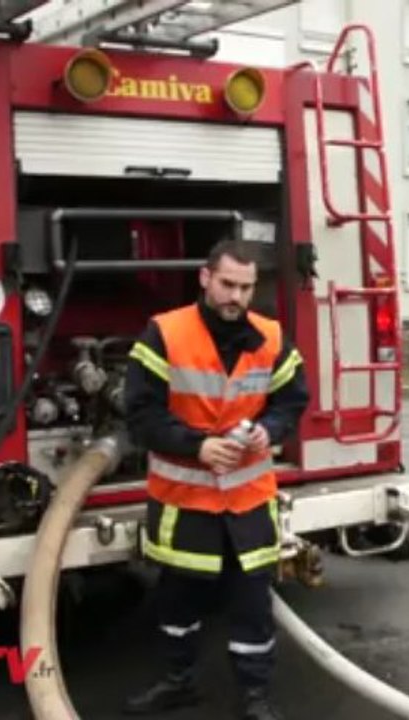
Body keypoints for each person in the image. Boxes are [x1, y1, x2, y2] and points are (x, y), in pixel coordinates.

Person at [122, 240, 309, 720]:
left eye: (246, 288)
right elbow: (140, 415)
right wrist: (197, 446)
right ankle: (177, 681)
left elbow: (291, 400)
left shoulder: (270, 336)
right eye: (227, 284)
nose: (237, 297)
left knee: (252, 606)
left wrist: (271, 430)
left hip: (248, 502)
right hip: (186, 500)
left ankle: (255, 696)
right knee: (178, 600)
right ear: (205, 278)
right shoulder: (165, 333)